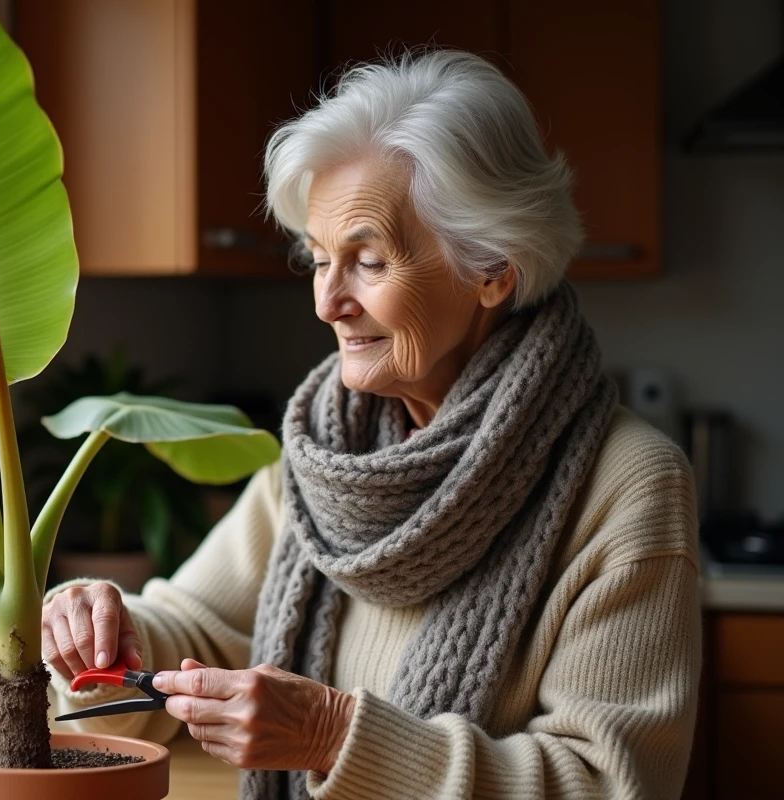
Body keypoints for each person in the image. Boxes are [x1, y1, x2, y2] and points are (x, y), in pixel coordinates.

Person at [42, 50, 700, 800]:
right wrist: (105, 630)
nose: (327, 302)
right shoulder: (326, 452)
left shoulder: (629, 485)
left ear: (493, 268)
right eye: (319, 260)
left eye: (369, 260)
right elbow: (196, 633)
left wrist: (332, 736)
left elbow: (609, 785)